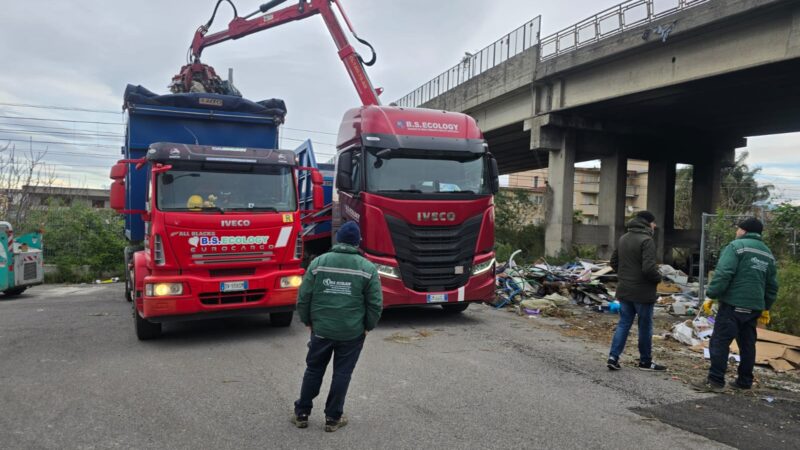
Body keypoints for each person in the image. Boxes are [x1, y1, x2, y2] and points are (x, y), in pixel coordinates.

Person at [291, 221, 383, 432]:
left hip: (321, 330)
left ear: (338, 239)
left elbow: (303, 297)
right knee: (342, 374)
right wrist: (368, 326)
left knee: (313, 370)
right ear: (357, 242)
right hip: (351, 332)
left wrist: (308, 321)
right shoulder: (367, 268)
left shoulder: (319, 263)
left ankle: (302, 414)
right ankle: (333, 418)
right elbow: (375, 304)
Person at [693, 217, 778, 392]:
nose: (736, 232)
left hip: (733, 304)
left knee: (719, 342)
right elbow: (772, 286)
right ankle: (744, 382)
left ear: (744, 230)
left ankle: (715, 381)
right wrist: (766, 307)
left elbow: (724, 273)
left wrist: (711, 295)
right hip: (754, 307)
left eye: (738, 229)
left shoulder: (736, 247)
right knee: (747, 344)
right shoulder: (768, 253)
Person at [606, 211, 667, 372]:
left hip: (624, 290)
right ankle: (645, 361)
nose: (655, 226)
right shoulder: (647, 240)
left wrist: (625, 275)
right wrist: (658, 277)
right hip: (643, 292)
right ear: (647, 223)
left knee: (624, 323)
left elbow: (613, 262)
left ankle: (613, 357)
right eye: (653, 223)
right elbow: (648, 269)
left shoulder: (623, 238)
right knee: (645, 326)